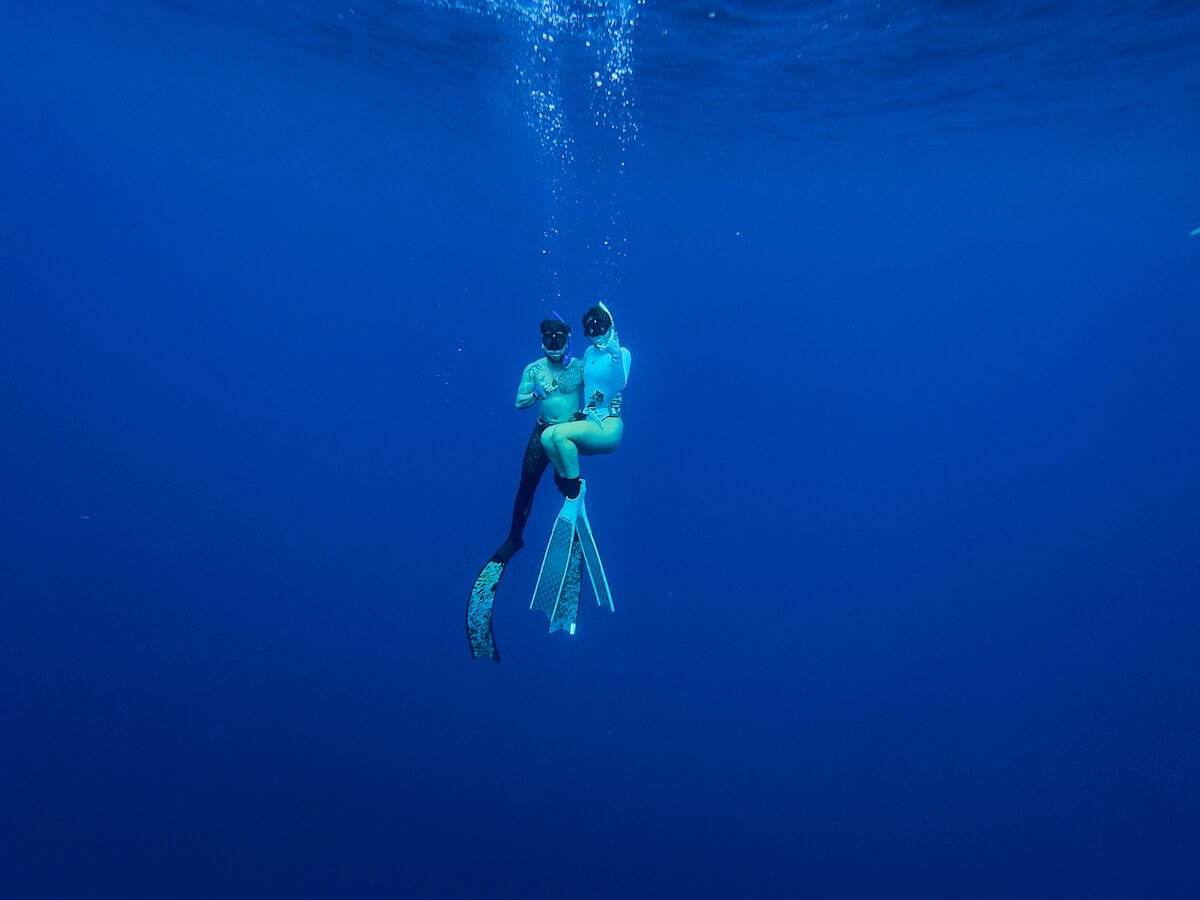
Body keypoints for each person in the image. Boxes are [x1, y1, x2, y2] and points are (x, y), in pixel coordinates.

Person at [467, 316, 585, 660]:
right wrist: (536, 394)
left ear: (567, 339)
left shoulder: (578, 367)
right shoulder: (533, 370)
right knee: (527, 483)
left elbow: (599, 390)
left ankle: (571, 510)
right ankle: (514, 536)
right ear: (542, 342)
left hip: (568, 434)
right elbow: (518, 402)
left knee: (561, 481)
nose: (554, 342)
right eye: (549, 338)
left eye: (559, 337)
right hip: (542, 430)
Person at [540, 303, 632, 501]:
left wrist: (615, 354)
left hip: (609, 424)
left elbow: (620, 384)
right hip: (590, 420)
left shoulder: (622, 353)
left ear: (611, 327)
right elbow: (582, 382)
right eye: (591, 327)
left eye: (602, 326)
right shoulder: (589, 353)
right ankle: (567, 490)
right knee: (547, 437)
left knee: (561, 434)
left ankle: (575, 493)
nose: (596, 331)